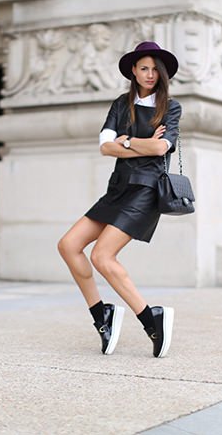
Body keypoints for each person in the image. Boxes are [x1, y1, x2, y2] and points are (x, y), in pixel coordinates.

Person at [57, 41, 182, 358]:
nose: (150, 74)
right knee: (69, 246)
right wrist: (138, 143)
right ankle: (102, 316)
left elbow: (160, 149)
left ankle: (151, 318)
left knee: (102, 256)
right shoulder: (120, 104)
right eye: (144, 68)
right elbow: (104, 147)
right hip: (118, 188)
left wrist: (125, 142)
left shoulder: (171, 107)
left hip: (146, 190)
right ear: (133, 71)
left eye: (155, 69)